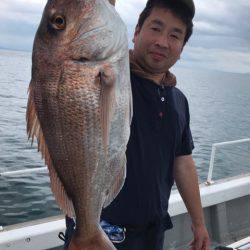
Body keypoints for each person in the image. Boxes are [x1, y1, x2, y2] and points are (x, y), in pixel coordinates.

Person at [63, 0, 210, 249]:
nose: (162, 42)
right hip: (102, 230)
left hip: (153, 233)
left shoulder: (178, 100)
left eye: (175, 35)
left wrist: (199, 223)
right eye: (156, 28)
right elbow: (88, 35)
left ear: (182, 48)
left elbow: (182, 160)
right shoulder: (106, 80)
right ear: (136, 32)